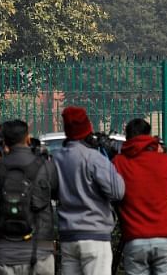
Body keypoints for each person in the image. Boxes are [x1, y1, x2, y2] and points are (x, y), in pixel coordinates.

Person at [51, 106, 125, 275]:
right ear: (87, 129)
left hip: (68, 235)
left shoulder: (57, 158)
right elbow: (117, 191)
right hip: (95, 234)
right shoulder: (94, 158)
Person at [0, 119, 59, 275]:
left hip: (3, 252)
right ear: (27, 138)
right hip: (39, 250)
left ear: (4, 142)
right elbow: (56, 195)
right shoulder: (46, 167)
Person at [113, 118, 167, 275]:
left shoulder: (118, 162)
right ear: (149, 135)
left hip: (134, 237)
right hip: (164, 236)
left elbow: (114, 195)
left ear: (127, 138)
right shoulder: (166, 161)